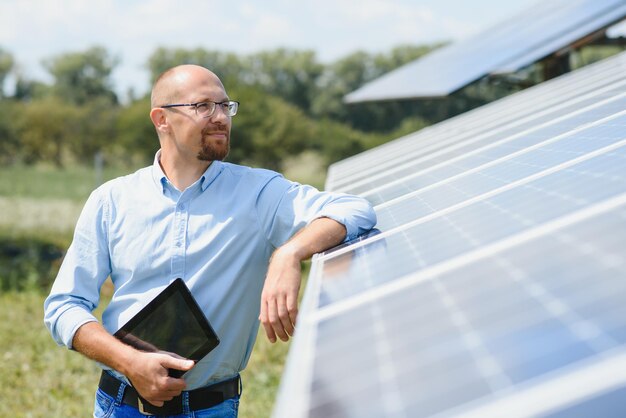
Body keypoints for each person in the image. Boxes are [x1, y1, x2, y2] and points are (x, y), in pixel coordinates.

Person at [43, 64, 376, 417]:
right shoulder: (111, 200)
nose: (220, 117)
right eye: (203, 106)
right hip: (120, 405)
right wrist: (129, 362)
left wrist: (289, 253)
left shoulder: (259, 193)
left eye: (225, 106)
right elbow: (64, 306)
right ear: (162, 120)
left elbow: (356, 209)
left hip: (212, 408)